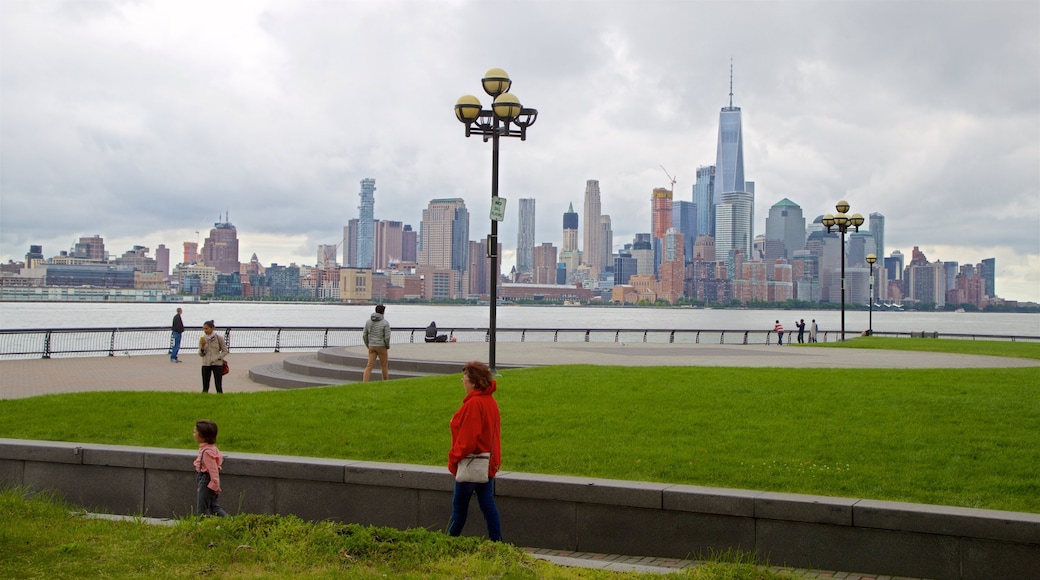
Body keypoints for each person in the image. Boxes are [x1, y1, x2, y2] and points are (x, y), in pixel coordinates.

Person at [447, 360, 502, 541]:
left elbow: (468, 440)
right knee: (487, 503)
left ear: (473, 382)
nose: (462, 381)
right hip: (487, 462)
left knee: (459, 508)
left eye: (464, 378)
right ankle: (497, 542)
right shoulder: (490, 402)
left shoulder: (473, 404)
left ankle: (448, 543)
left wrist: (453, 457)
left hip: (471, 461)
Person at [193, 419, 228, 517]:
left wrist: (215, 485)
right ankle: (231, 523)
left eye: (195, 432)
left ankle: (202, 526)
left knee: (202, 509)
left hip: (206, 480)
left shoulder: (207, 452)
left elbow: (213, 470)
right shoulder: (211, 448)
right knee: (213, 507)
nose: (193, 434)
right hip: (206, 479)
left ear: (203, 436)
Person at [198, 320, 229, 393]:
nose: (205, 330)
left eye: (207, 328)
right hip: (206, 364)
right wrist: (202, 347)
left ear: (212, 328)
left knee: (218, 385)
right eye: (204, 329)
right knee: (205, 386)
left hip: (217, 364)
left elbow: (225, 351)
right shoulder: (203, 339)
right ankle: (204, 399)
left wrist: (218, 357)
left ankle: (220, 398)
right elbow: (201, 354)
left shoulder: (219, 338)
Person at [362, 304, 391, 381]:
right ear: (383, 312)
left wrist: (368, 344)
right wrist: (387, 345)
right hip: (381, 345)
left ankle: (365, 382)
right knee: (384, 365)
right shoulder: (385, 323)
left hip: (371, 345)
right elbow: (387, 336)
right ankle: (385, 381)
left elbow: (364, 335)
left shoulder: (368, 322)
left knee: (369, 365)